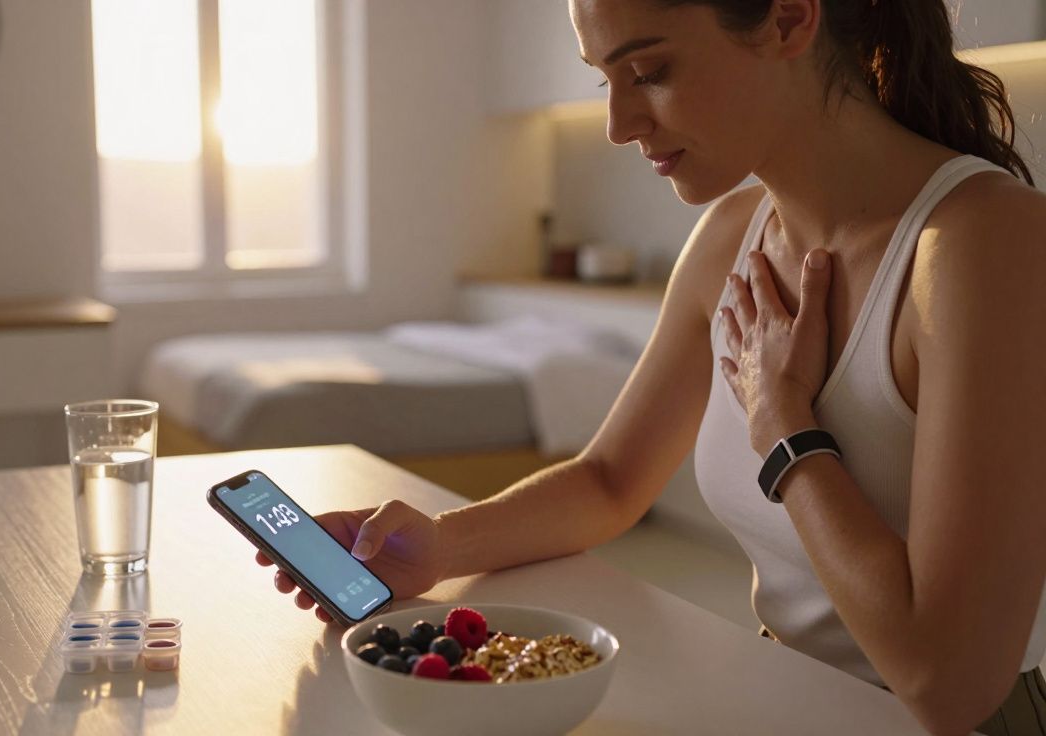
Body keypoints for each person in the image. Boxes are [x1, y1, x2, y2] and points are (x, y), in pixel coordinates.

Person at [253, 1, 1046, 733]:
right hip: (782, 696)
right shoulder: (731, 235)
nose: (616, 123)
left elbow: (951, 681)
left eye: (651, 72)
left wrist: (785, 429)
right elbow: (609, 480)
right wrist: (435, 546)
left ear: (789, 18)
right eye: (604, 80)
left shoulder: (984, 245)